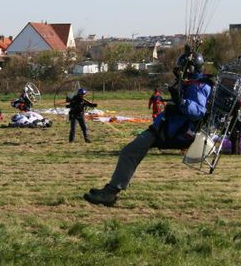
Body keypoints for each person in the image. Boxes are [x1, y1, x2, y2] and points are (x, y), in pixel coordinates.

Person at [84, 51, 213, 207]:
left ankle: (110, 193)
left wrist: (180, 101)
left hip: (172, 131)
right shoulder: (190, 83)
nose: (181, 71)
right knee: (131, 152)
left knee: (129, 152)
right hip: (165, 126)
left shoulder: (200, 86)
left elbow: (198, 111)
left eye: (184, 69)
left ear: (192, 69)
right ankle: (112, 190)